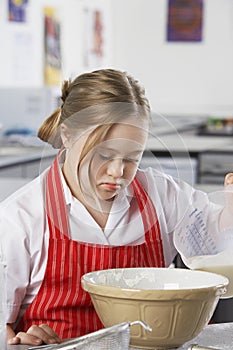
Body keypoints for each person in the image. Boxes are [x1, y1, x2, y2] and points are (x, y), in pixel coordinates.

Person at [0, 68, 232, 346]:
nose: (117, 172)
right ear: (68, 135)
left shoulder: (163, 196)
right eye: (103, 155)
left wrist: (229, 211)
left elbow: (214, 246)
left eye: (132, 158)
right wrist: (22, 341)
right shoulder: (21, 218)